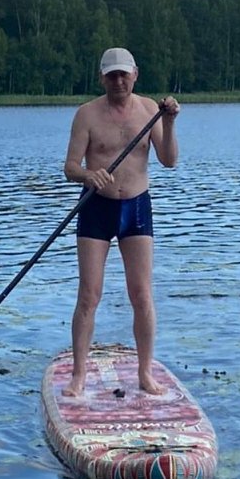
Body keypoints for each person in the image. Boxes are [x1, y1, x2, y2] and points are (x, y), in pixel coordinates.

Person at [62, 47, 180, 397]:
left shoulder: (149, 111)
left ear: (135, 75)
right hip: (96, 207)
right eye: (111, 75)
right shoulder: (87, 114)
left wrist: (169, 122)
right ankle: (79, 375)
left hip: (137, 208)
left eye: (123, 75)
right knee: (89, 295)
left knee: (141, 294)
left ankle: (145, 372)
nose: (118, 81)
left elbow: (169, 160)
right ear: (102, 78)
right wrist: (88, 175)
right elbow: (70, 167)